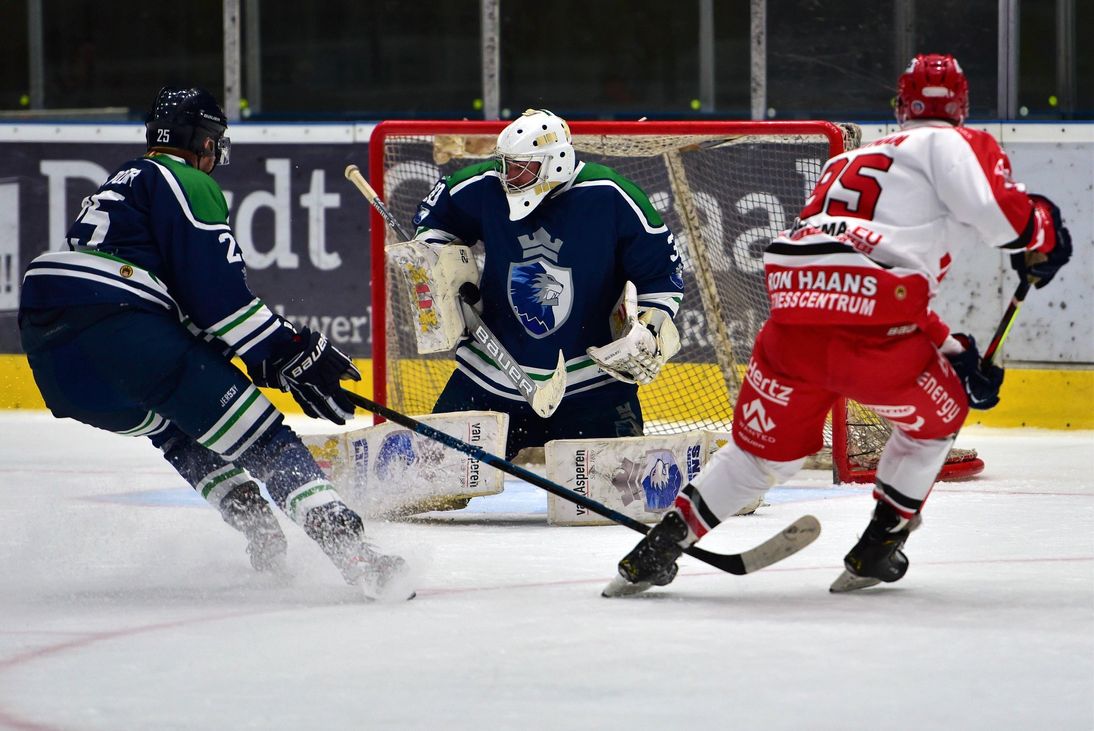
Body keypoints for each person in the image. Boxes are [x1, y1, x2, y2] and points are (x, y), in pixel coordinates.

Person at [605, 54, 1073, 597]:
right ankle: (879, 546)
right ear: (962, 110)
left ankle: (657, 549)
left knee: (760, 455)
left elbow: (847, 273)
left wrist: (953, 346)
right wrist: (1043, 233)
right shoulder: (952, 143)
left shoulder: (847, 162)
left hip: (792, 319)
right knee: (937, 418)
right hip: (877, 331)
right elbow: (1000, 221)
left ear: (900, 106)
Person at [18, 86, 411, 600]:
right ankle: (355, 554)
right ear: (203, 141)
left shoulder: (122, 184)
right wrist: (286, 350)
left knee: (180, 426)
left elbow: (183, 314)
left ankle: (257, 527)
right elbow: (218, 299)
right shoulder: (183, 180)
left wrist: (261, 357)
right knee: (264, 438)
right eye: (215, 143)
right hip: (118, 325)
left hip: (56, 361)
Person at [409, 108, 685, 460]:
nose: (509, 175)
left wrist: (649, 325)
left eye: (522, 167)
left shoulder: (611, 195)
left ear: (555, 162)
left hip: (591, 385)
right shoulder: (487, 185)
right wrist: (442, 269)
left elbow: (662, 276)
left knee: (613, 497)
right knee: (431, 480)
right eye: (506, 164)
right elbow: (434, 218)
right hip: (489, 376)